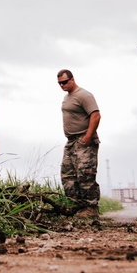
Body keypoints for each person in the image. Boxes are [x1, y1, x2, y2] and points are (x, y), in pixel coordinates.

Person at [57, 69, 101, 215]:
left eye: (64, 82)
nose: (62, 85)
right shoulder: (67, 97)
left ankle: (91, 208)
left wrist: (87, 137)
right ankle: (77, 207)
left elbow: (95, 116)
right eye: (59, 83)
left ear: (72, 80)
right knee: (67, 175)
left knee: (85, 174)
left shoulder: (84, 95)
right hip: (71, 141)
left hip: (83, 139)